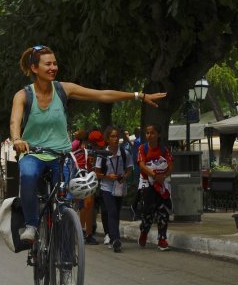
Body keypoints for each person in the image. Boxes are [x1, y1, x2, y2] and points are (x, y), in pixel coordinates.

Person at [10, 45, 167, 244]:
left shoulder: (63, 89)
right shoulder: (23, 95)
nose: (53, 67)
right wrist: (17, 140)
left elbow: (102, 95)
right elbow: (15, 121)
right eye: (47, 64)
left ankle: (66, 259)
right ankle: (32, 226)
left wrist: (139, 96)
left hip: (60, 155)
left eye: (55, 63)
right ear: (34, 68)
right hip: (33, 153)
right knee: (28, 175)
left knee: (65, 204)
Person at [95, 126, 133, 252]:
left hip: (119, 187)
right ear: (107, 139)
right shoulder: (102, 155)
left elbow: (129, 169)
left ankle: (113, 237)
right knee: (111, 211)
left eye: (117, 136)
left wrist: (124, 177)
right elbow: (97, 173)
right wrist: (107, 176)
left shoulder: (124, 153)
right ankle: (116, 239)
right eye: (112, 136)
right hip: (106, 187)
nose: (115, 139)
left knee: (116, 212)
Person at [137, 123, 174, 251]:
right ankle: (144, 232)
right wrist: (153, 175)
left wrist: (163, 176)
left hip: (161, 183)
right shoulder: (142, 148)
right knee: (148, 211)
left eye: (152, 133)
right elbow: (142, 165)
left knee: (163, 211)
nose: (149, 135)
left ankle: (162, 239)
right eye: (147, 133)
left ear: (158, 135)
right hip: (147, 182)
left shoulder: (164, 150)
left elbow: (170, 166)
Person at [87, 129, 110, 244]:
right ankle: (89, 231)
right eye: (97, 144)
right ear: (92, 143)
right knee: (91, 209)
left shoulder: (103, 153)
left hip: (101, 184)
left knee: (102, 208)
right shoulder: (86, 152)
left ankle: (103, 232)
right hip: (89, 184)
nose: (99, 146)